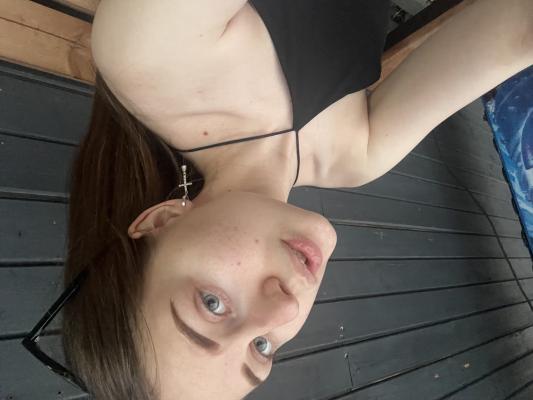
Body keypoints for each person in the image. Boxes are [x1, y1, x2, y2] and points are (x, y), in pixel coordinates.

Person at [61, 0, 533, 399]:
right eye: (262, 348)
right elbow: (516, 32)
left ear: (160, 221)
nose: (284, 310)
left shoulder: (152, 55)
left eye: (212, 304)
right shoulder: (358, 155)